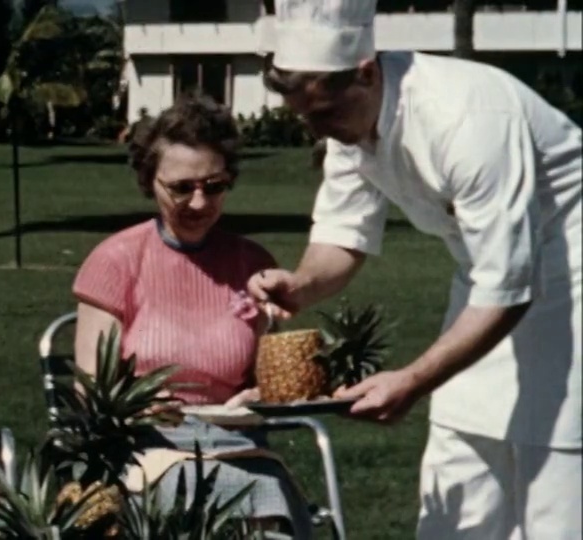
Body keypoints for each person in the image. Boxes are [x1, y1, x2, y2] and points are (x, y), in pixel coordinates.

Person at [247, 1, 581, 538]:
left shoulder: (468, 117)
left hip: (573, 291)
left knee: (556, 495)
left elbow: (511, 285)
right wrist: (301, 285)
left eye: (324, 115)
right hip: (483, 288)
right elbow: (342, 235)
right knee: (457, 482)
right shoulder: (347, 124)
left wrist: (413, 380)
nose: (317, 130)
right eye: (304, 117)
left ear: (366, 72)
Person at [73, 95, 313, 536]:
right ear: (150, 182)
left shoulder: (251, 263)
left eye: (214, 185)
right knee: (208, 494)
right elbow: (90, 388)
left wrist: (255, 396)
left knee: (260, 494)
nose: (200, 203)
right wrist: (144, 408)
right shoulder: (116, 261)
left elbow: (277, 381)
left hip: (238, 444)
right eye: (181, 187)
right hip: (142, 450)